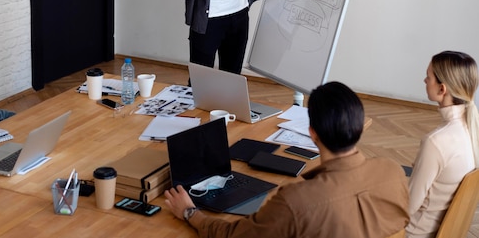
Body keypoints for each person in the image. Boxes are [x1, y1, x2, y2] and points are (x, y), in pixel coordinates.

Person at [164, 81, 409, 238]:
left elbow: (234, 236)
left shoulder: (296, 200)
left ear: (312, 133)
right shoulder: (393, 171)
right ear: (359, 127)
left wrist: (190, 213)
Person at [406, 51, 479, 238]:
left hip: (412, 232)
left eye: (428, 77)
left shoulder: (436, 142)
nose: (424, 80)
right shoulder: (471, 130)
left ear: (442, 89)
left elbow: (408, 206)